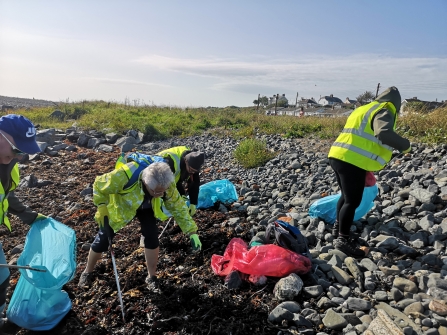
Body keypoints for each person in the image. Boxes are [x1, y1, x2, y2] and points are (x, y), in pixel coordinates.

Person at [78, 161, 202, 291]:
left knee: (152, 235)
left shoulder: (165, 181)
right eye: (157, 191)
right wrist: (102, 205)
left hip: (147, 206)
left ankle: (152, 277)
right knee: (103, 238)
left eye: (162, 192)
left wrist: (191, 232)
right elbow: (99, 185)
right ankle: (87, 271)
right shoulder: (124, 175)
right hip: (124, 204)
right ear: (146, 183)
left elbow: (178, 208)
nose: (160, 194)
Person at [327, 86, 411, 258]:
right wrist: (405, 145)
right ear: (395, 102)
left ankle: (338, 230)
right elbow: (383, 132)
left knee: (345, 196)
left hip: (337, 154)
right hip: (352, 160)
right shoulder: (385, 110)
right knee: (352, 200)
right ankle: (343, 240)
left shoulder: (364, 109)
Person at [0, 114, 47, 328]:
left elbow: (5, 195)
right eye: (18, 150)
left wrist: (30, 216)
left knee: (1, 277)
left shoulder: (8, 163)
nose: (19, 157)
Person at [156, 146, 205, 217]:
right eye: (191, 170)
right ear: (186, 161)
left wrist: (193, 203)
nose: (192, 172)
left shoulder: (194, 161)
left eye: (195, 171)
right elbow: (167, 185)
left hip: (173, 176)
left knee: (180, 196)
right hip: (157, 173)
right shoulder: (171, 163)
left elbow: (194, 182)